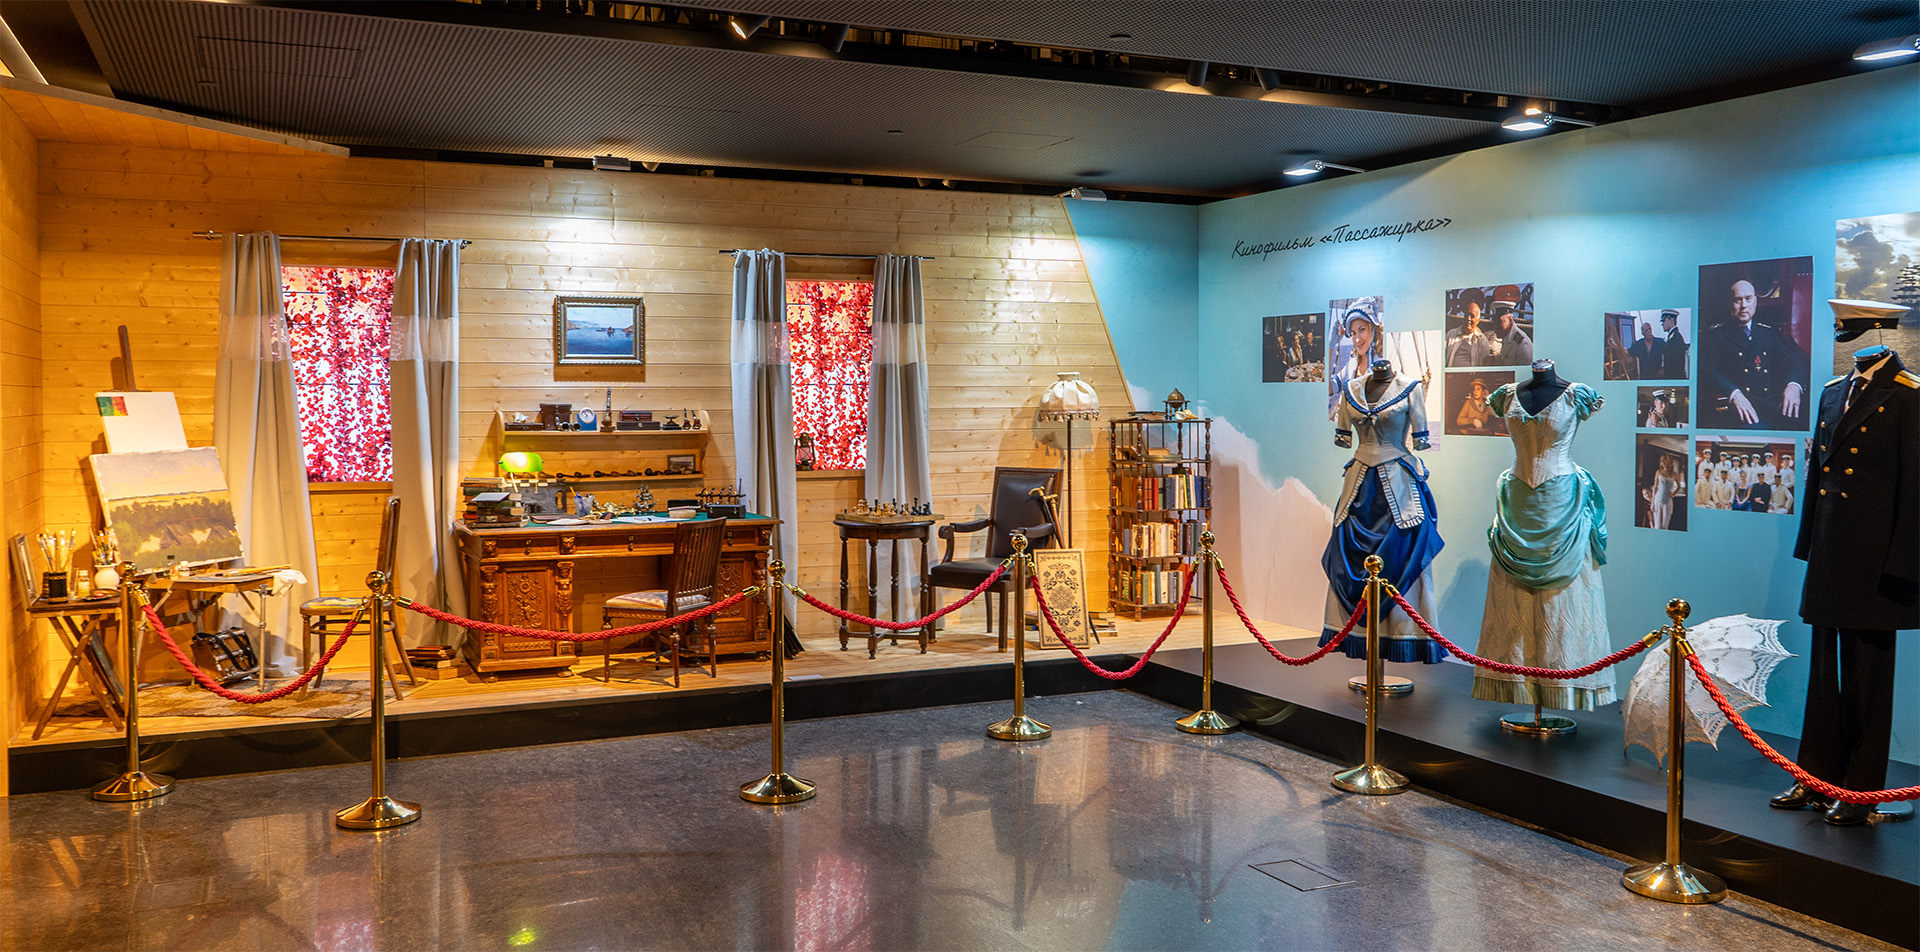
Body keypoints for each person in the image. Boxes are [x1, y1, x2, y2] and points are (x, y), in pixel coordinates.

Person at [1776, 343, 1918, 825]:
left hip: (1878, 562)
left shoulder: (1909, 394)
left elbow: (1916, 487)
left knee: (1869, 678)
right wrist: (1809, 542)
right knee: (1822, 672)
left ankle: (1861, 789)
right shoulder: (1835, 391)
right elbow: (1818, 473)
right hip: (1830, 549)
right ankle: (1816, 776)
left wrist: (1904, 567)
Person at [1475, 359, 1614, 711]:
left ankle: (1561, 684)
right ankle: (1518, 683)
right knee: (1514, 600)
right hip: (1518, 505)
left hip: (1563, 502)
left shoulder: (1576, 396)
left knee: (1561, 601)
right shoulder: (1507, 396)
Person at [1321, 357, 1446, 663]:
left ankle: (1402, 636)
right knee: (1348, 552)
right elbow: (1343, 436)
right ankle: (1356, 635)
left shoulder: (1411, 388)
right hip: (1358, 489)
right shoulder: (1351, 389)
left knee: (1403, 554)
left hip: (1400, 489)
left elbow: (1420, 439)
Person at [1702, 278, 1807, 429]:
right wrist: (1735, 394)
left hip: (1770, 407)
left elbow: (1794, 360)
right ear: (1729, 303)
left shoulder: (1766, 333)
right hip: (1739, 412)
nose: (1744, 305)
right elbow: (1708, 371)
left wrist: (1794, 386)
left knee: (1803, 428)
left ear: (1755, 302)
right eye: (1737, 300)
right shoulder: (1716, 335)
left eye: (1748, 299)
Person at [1328, 304, 1381, 420]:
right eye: (1353, 333)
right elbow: (1329, 389)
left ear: (1372, 329)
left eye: (1362, 330)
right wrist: (1331, 346)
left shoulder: (1381, 365)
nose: (1357, 340)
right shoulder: (1352, 365)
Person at [1487, 285, 1533, 365]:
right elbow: (1506, 358)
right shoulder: (1507, 336)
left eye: (1500, 322)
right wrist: (1494, 359)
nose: (1496, 327)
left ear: (1510, 319)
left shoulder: (1523, 345)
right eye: (1495, 322)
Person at [1448, 295, 1492, 367]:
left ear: (1478, 320)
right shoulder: (1451, 335)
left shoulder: (1482, 340)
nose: (1468, 318)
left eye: (1472, 316)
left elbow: (1485, 365)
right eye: (1467, 315)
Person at [1657, 308, 1689, 379]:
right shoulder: (1672, 337)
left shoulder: (1675, 338)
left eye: (1664, 321)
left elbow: (1675, 364)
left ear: (1671, 320)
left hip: (1675, 377)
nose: (1662, 324)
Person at [1650, 455, 1679, 530]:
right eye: (1661, 460)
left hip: (1668, 502)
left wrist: (1673, 494)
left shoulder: (1674, 474)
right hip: (1657, 500)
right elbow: (1655, 488)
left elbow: (1679, 486)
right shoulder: (1658, 472)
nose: (1662, 462)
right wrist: (1652, 503)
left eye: (1664, 460)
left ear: (1668, 461)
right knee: (1657, 525)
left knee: (1665, 525)